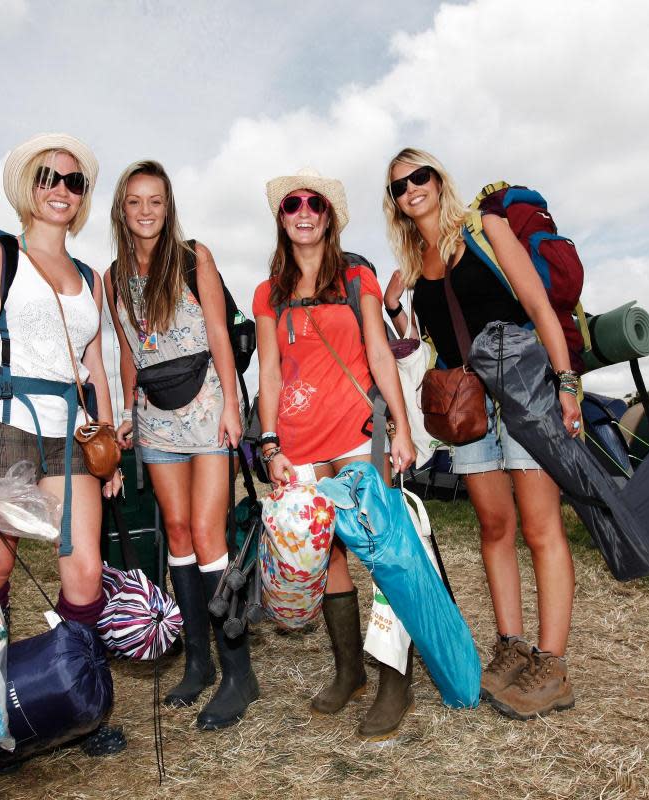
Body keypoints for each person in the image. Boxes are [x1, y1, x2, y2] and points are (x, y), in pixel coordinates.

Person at [381, 147, 582, 720]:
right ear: (394, 203)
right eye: (399, 186)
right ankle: (511, 647)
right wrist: (399, 310)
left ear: (438, 180)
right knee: (495, 526)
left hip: (525, 390)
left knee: (542, 528)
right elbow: (433, 342)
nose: (412, 188)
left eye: (420, 176)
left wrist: (565, 382)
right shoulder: (417, 261)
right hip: (469, 407)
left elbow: (538, 307)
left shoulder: (486, 229)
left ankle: (552, 665)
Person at [252, 167, 417, 741]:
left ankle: (395, 676)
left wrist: (399, 425)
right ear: (281, 217)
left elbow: (378, 349)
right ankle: (350, 671)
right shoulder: (267, 291)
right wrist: (269, 440)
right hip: (298, 442)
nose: (302, 211)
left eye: (314, 203)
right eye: (292, 204)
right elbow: (268, 370)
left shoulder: (356, 275)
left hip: (355, 432)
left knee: (386, 553)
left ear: (328, 216)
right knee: (329, 559)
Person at [105, 160, 255, 730]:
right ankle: (198, 662)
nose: (146, 212)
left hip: (207, 408)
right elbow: (126, 349)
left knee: (209, 531)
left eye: (157, 202)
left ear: (169, 208)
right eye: (136, 201)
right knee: (177, 533)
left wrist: (235, 408)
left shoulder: (195, 256)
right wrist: (125, 410)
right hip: (154, 416)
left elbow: (218, 330)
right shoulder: (113, 275)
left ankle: (239, 672)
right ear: (122, 208)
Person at [0, 133, 122, 636]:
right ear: (30, 187)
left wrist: (108, 445)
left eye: (74, 181)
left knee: (86, 572)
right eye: (49, 177)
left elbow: (96, 367)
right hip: (5, 426)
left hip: (73, 435)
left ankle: (78, 693)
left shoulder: (92, 278)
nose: (61, 189)